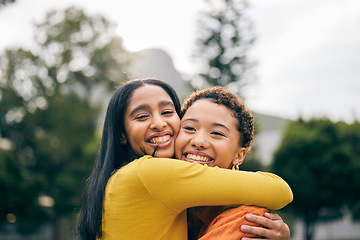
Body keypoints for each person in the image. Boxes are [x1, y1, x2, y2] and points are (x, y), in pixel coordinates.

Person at [77, 79, 293, 240]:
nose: (159, 123)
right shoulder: (150, 172)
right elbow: (279, 190)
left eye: (168, 112)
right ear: (121, 134)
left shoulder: (184, 205)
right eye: (142, 116)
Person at [175, 86, 290, 239]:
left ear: (239, 156)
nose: (199, 141)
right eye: (189, 128)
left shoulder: (246, 220)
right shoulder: (171, 203)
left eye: (216, 133)